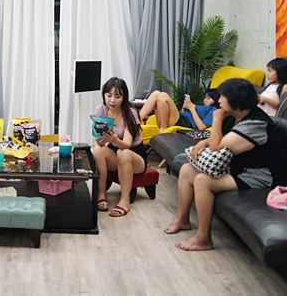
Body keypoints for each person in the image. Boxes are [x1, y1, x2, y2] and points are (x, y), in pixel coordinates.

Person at [163, 78, 286, 251]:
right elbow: (217, 139)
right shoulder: (234, 116)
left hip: (260, 175)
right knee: (186, 170)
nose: (219, 100)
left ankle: (203, 238)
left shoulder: (256, 123)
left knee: (202, 181)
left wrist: (216, 119)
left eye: (223, 97)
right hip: (238, 167)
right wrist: (202, 143)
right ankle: (182, 219)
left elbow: (217, 147)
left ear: (235, 99)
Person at [91, 77, 148, 217]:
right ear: (104, 94)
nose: (112, 100)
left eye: (117, 96)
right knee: (97, 150)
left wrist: (115, 140)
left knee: (123, 153)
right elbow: (100, 139)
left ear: (124, 97)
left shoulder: (131, 113)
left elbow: (127, 144)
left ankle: (124, 201)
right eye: (109, 95)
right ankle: (101, 195)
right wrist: (101, 141)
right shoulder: (101, 110)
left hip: (135, 155)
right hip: (115, 152)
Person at [138, 89, 220, 132]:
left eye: (209, 98)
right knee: (156, 93)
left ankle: (164, 127)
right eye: (205, 98)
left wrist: (192, 108)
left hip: (185, 123)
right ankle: (136, 121)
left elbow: (202, 127)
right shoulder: (202, 107)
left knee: (163, 96)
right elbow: (184, 115)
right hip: (179, 118)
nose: (205, 100)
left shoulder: (213, 110)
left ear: (216, 100)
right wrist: (184, 108)